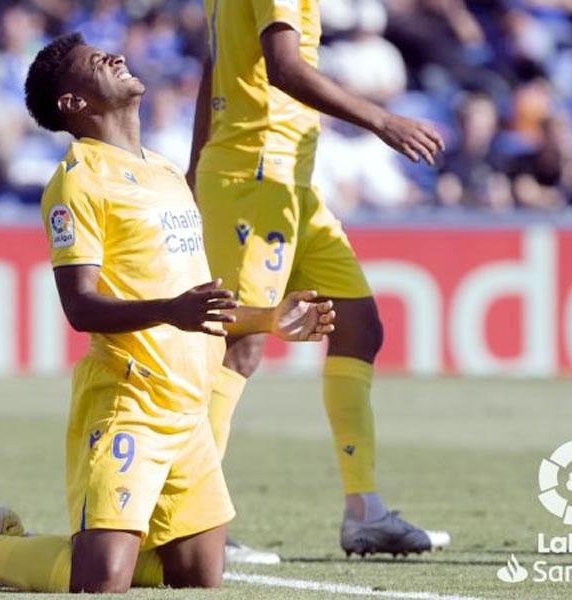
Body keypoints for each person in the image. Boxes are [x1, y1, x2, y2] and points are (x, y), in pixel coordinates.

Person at [0, 32, 336, 593]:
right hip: (130, 400)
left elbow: (198, 305)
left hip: (187, 406)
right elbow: (80, 306)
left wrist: (268, 319)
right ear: (75, 104)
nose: (117, 57)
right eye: (98, 62)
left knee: (196, 577)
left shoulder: (166, 173)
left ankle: (14, 542)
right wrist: (172, 309)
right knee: (99, 583)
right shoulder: (78, 181)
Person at [186, 0, 451, 558]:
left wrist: (194, 164)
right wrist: (382, 119)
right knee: (239, 344)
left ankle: (364, 514)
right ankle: (192, 518)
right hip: (253, 167)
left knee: (358, 325)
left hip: (289, 181)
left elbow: (216, 61)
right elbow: (283, 67)